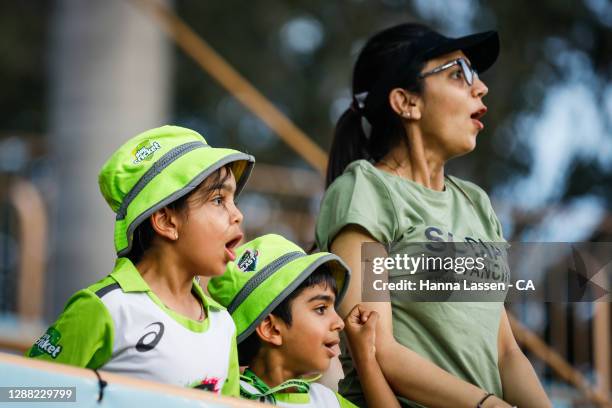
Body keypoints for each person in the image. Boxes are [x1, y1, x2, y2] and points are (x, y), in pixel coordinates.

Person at [315, 23, 551, 407]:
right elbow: (377, 347)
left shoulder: (476, 204)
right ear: (406, 102)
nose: (481, 87)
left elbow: (506, 352)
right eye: (458, 74)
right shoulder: (368, 193)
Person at [27, 125, 254, 396]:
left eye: (233, 200)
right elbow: (23, 392)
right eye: (218, 199)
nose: (237, 214)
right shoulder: (105, 306)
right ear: (167, 221)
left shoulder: (222, 324)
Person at [208, 234, 400, 407]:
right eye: (321, 309)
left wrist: (365, 358)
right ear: (271, 329)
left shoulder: (330, 402)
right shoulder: (222, 399)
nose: (340, 323)